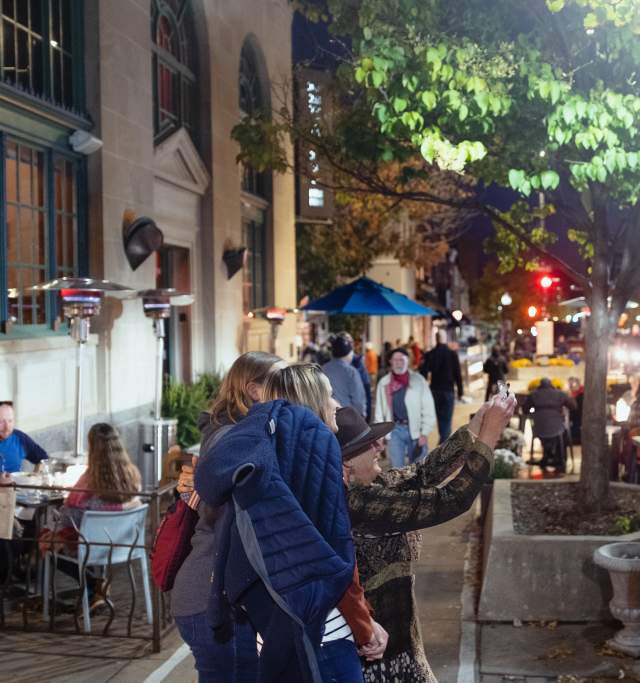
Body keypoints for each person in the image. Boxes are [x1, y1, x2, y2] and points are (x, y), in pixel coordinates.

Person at [195, 363, 359, 683]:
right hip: (321, 629)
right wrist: (365, 627)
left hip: (271, 625)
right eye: (329, 395)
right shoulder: (312, 454)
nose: (336, 404)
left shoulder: (261, 458)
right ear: (311, 400)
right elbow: (331, 553)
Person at [335, 397, 515, 683]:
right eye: (368, 445)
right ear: (346, 463)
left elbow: (421, 473)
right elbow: (450, 499)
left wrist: (475, 427)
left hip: (396, 639)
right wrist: (490, 435)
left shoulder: (367, 486)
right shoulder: (356, 503)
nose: (379, 448)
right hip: (380, 653)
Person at [172, 351, 281, 682]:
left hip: (227, 594)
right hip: (207, 595)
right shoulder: (231, 439)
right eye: (279, 385)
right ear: (253, 390)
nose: (288, 393)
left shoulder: (240, 433)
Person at [39, 423, 141, 608]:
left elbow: (70, 519)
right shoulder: (132, 476)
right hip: (124, 544)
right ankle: (97, 586)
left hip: (91, 547)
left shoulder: (88, 483)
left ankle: (92, 583)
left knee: (46, 538)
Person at [375, 348, 436, 467]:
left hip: (416, 430)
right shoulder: (384, 383)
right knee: (397, 470)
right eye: (395, 360)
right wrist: (380, 435)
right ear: (390, 362)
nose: (398, 363)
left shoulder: (418, 380)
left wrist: (424, 432)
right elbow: (379, 411)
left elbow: (428, 408)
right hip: (394, 431)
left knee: (419, 469)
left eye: (401, 360)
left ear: (407, 361)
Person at [524, 378, 576, 472]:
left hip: (538, 428)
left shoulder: (533, 394)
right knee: (562, 433)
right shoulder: (560, 394)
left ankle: (548, 455)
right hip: (557, 428)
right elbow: (573, 406)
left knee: (546, 432)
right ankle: (559, 458)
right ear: (551, 385)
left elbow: (525, 409)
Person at [420, 333, 464, 443]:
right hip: (448, 390)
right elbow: (457, 374)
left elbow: (423, 373)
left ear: (436, 339)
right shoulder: (452, 354)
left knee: (440, 419)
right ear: (445, 339)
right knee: (447, 420)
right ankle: (444, 445)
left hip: (434, 390)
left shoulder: (430, 354)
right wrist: (460, 391)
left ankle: (443, 442)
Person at [322, 333, 367, 417]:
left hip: (326, 417)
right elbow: (358, 402)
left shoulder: (322, 369)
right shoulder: (351, 371)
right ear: (349, 353)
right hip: (347, 418)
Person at [0, 401, 48, 473]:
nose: (7, 427)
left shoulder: (19, 438)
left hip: (16, 484)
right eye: (1, 422)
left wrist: (34, 477)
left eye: (10, 421)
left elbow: (43, 459)